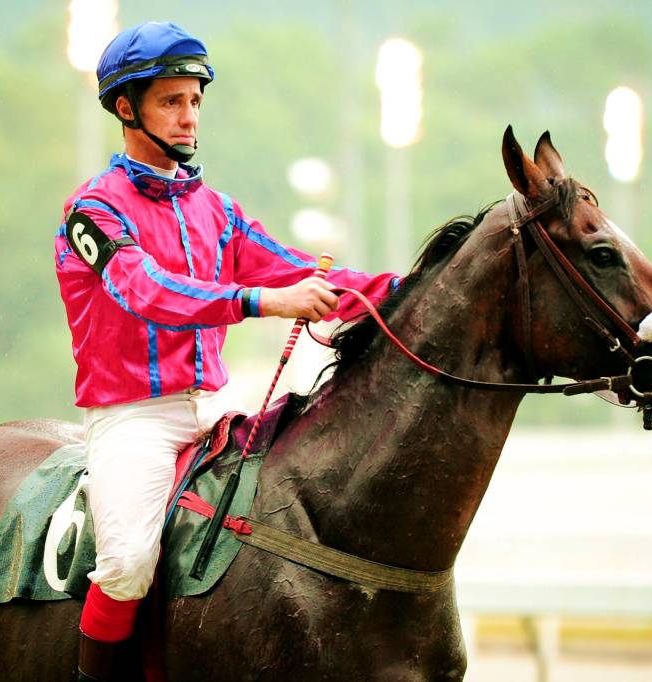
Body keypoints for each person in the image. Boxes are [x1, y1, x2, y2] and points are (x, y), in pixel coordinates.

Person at [54, 21, 400, 681]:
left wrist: (415, 289)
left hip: (217, 408)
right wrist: (261, 302)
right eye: (171, 102)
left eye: (195, 102)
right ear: (127, 108)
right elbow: (145, 290)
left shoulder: (218, 209)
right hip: (134, 419)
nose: (189, 117)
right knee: (127, 564)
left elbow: (306, 275)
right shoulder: (91, 210)